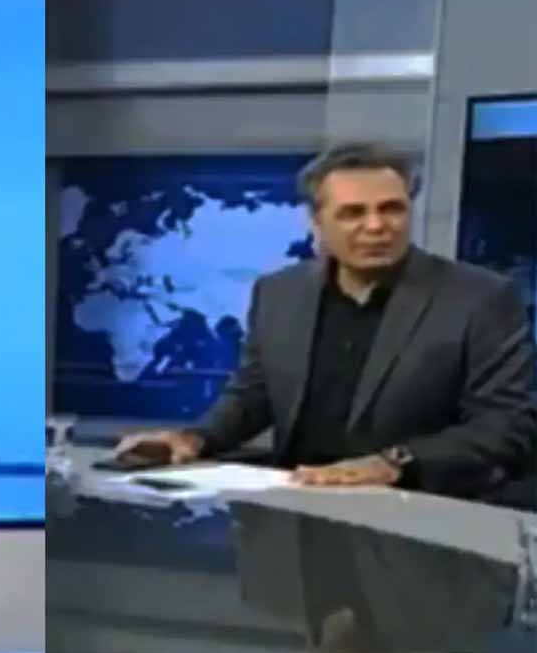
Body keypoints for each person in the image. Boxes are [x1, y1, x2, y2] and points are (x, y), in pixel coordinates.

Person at [117, 142, 537, 500]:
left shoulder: (479, 298)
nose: (376, 226)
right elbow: (253, 394)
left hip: (419, 513)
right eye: (353, 213)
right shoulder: (279, 292)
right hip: (299, 509)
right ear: (317, 222)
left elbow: (505, 425)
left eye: (392, 209)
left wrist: (394, 463)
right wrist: (194, 439)